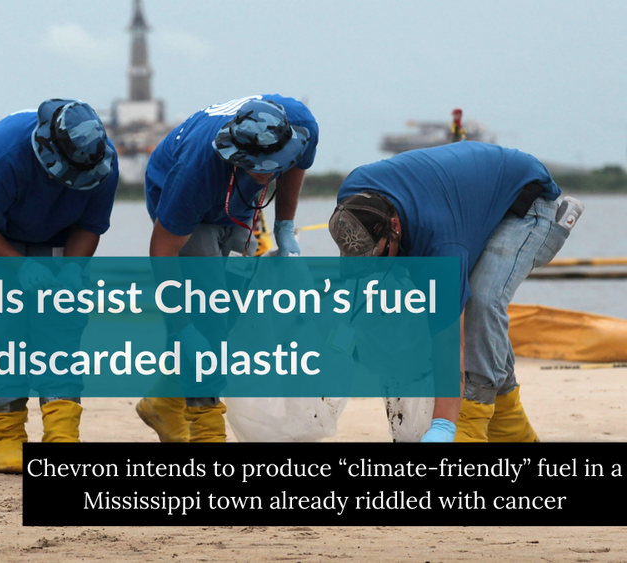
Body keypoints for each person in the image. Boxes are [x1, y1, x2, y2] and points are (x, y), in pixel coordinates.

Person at [328, 141, 584, 442]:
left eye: (380, 258)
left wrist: (444, 426)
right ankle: (512, 430)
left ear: (394, 225)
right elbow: (360, 285)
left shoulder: (442, 246)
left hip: (523, 202)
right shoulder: (353, 200)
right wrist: (338, 345)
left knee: (482, 301)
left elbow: (450, 343)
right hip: (464, 201)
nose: (376, 268)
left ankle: (472, 419)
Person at [0, 99, 119, 473]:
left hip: (54, 227)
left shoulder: (103, 162)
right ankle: (8, 435)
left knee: (61, 319)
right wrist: (20, 268)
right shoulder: (9, 155)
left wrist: (71, 271)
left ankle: (61, 432)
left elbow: (90, 226)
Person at [138, 95, 319, 443]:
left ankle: (163, 400)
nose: (268, 173)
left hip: (239, 202)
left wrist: (284, 224)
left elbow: (296, 166)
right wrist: (185, 328)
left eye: (273, 165)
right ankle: (206, 430)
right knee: (207, 318)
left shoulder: (302, 125)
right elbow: (162, 251)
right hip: (182, 199)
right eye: (259, 166)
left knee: (233, 310)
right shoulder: (194, 174)